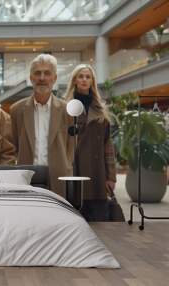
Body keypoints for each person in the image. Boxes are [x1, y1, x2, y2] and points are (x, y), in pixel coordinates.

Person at [10, 54, 73, 197]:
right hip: (26, 179)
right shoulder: (16, 110)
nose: (42, 78)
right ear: (31, 78)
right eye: (37, 73)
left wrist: (67, 165)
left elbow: (72, 145)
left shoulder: (67, 110)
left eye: (47, 73)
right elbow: (12, 144)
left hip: (58, 178)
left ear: (54, 78)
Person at [64, 64, 117, 221]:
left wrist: (111, 176)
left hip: (97, 172)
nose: (84, 80)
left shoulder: (100, 109)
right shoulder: (64, 108)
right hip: (73, 168)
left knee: (100, 220)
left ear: (92, 81)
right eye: (80, 76)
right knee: (74, 218)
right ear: (74, 80)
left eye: (88, 77)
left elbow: (108, 146)